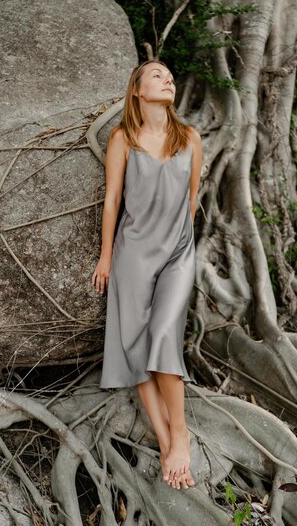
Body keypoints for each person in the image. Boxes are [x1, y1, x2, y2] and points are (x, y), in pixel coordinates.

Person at [91, 59, 202, 491]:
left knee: (160, 337)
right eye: (157, 75)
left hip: (176, 253)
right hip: (132, 256)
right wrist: (106, 257)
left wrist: (179, 246)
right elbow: (112, 200)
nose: (168, 78)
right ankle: (165, 442)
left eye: (171, 75)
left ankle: (181, 434)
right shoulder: (123, 138)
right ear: (136, 90)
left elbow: (192, 202)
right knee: (136, 352)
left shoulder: (190, 138)